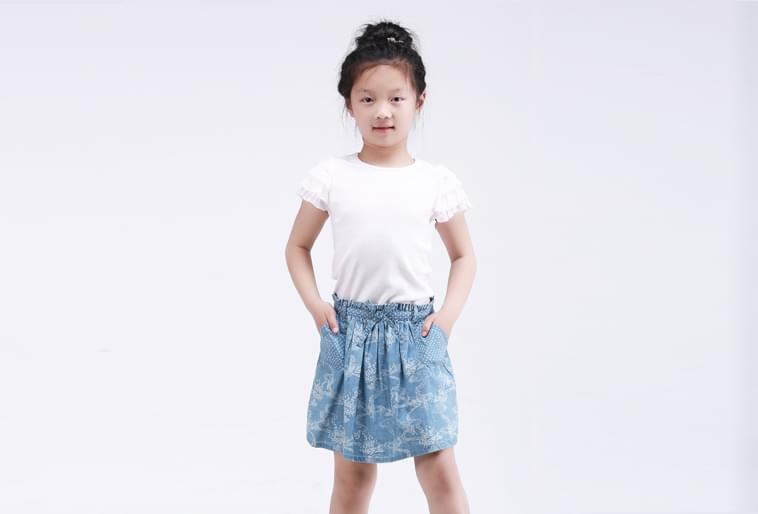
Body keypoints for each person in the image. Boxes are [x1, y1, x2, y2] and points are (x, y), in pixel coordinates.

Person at [285, 19, 475, 514]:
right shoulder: (332, 176)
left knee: (438, 469)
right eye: (367, 99)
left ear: (419, 101)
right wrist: (316, 308)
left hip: (417, 335)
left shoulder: (434, 181)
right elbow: (297, 247)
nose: (382, 111)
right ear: (350, 105)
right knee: (352, 476)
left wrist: (445, 322)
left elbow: (463, 256)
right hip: (351, 335)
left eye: (396, 98)